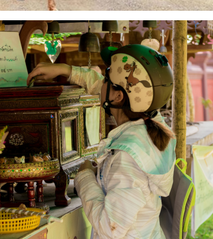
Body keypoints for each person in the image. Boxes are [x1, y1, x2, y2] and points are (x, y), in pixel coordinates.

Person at [26, 45, 175, 238]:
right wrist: (66, 71)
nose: (101, 83)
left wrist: (84, 176)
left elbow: (109, 228)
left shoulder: (126, 159)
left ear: (119, 96)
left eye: (106, 78)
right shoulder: (151, 124)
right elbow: (105, 89)